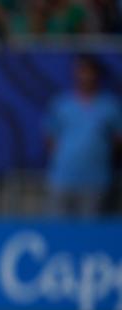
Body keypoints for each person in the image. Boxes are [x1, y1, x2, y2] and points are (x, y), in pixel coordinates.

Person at [44, 54, 122, 217]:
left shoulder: (110, 106)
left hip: (96, 180)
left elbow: (117, 140)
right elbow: (50, 138)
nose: (85, 76)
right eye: (81, 71)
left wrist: (99, 156)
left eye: (89, 71)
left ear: (97, 74)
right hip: (63, 179)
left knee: (90, 236)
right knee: (59, 233)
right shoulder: (62, 104)